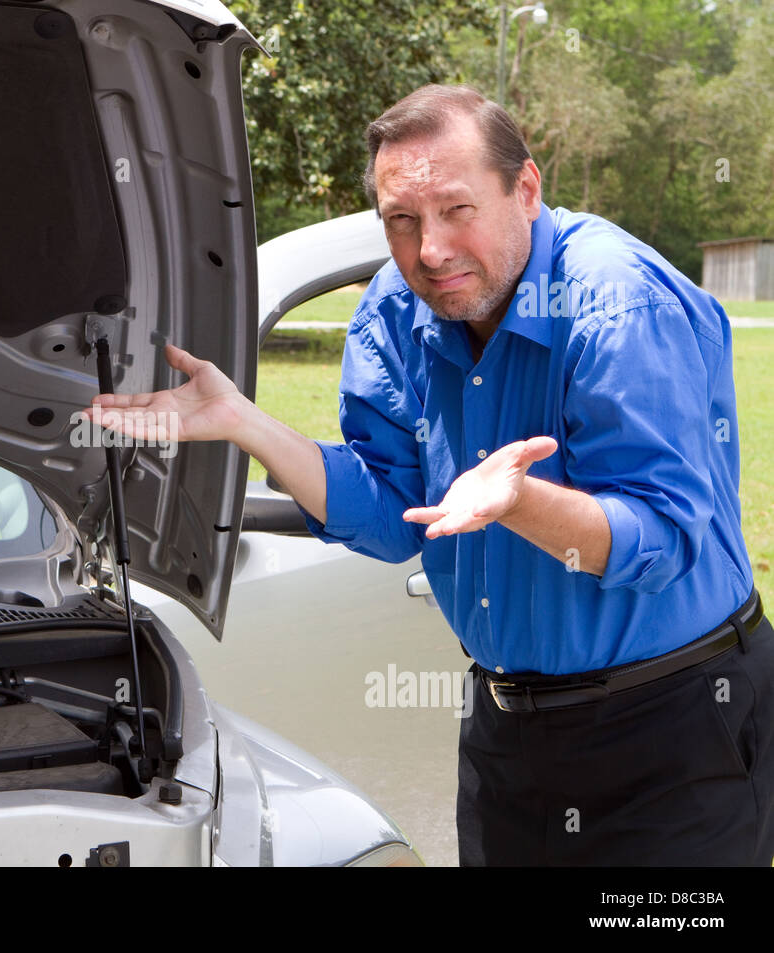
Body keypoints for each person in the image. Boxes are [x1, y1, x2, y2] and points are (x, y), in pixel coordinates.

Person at [82, 83, 773, 866]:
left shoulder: (615, 305)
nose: (429, 251)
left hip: (677, 729)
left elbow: (665, 539)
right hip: (510, 729)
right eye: (401, 222)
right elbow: (389, 511)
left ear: (526, 189)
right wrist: (247, 423)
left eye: (456, 211)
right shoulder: (394, 311)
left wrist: (519, 502)